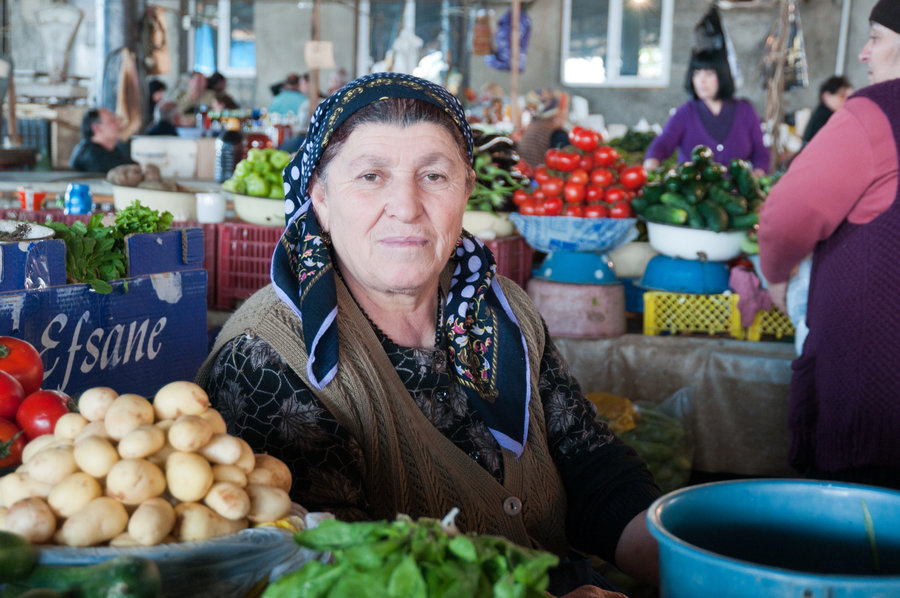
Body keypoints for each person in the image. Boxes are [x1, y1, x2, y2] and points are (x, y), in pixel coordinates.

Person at [197, 72, 660, 597]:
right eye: (371, 176)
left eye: (434, 176)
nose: (407, 206)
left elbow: (590, 461)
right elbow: (338, 572)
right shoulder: (267, 358)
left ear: (467, 189)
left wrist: (683, 558)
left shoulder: (501, 308)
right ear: (320, 200)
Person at [757, 0, 900, 489]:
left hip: (876, 393)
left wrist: (775, 273)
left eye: (877, 37)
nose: (864, 53)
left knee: (860, 534)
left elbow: (787, 212)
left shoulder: (876, 114)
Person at [644, 49, 770, 176]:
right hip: (693, 193)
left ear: (722, 76)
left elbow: (760, 152)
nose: (701, 80)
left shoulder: (745, 111)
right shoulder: (684, 114)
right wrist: (651, 165)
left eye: (709, 74)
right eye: (697, 73)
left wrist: (757, 174)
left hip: (737, 193)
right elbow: (662, 144)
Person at [517, 89, 571, 171]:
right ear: (557, 112)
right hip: (539, 180)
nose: (566, 113)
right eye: (565, 108)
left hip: (529, 177)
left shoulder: (534, 126)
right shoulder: (556, 133)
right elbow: (568, 163)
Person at [70, 107, 136, 172]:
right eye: (112, 121)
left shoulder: (112, 151)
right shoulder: (93, 158)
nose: (119, 123)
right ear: (96, 128)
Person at [801, 75, 854, 145]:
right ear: (826, 96)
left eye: (849, 97)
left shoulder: (822, 112)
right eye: (842, 95)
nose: (846, 100)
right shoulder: (825, 116)